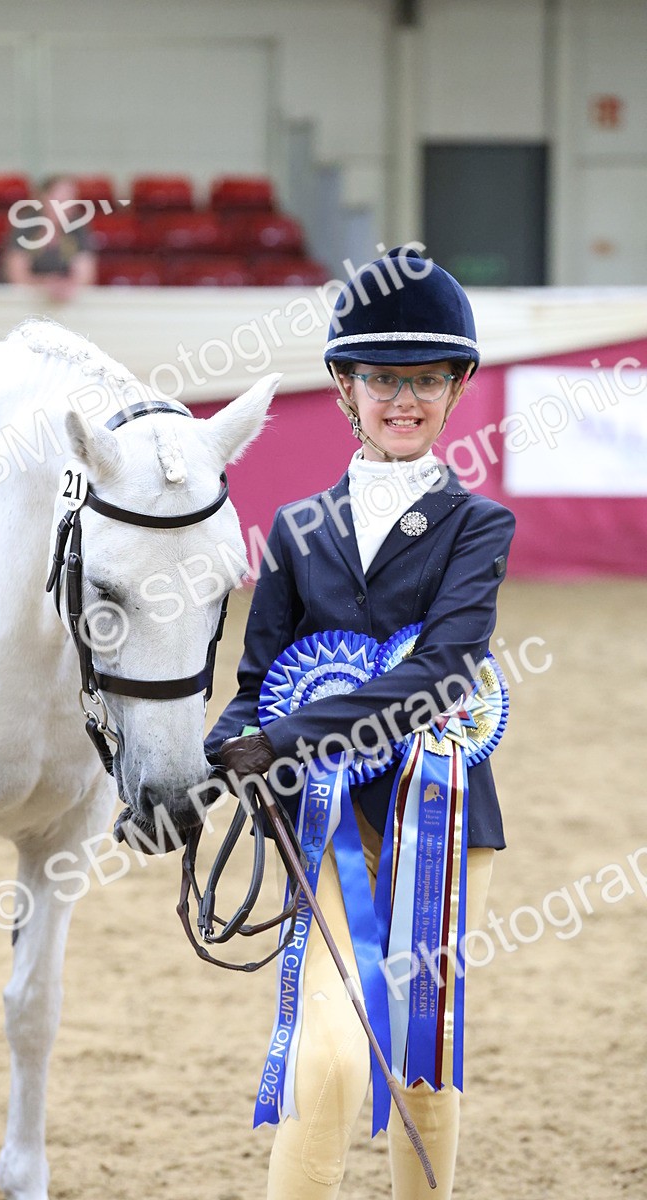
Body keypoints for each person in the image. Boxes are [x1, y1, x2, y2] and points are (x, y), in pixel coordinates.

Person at [205, 246, 516, 1199]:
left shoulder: (479, 528)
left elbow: (442, 671)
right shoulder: (297, 530)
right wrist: (217, 751)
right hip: (326, 823)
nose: (404, 399)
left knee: (419, 1057)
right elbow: (256, 685)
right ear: (345, 385)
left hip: (444, 822)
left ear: (457, 387)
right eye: (384, 378)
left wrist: (287, 740)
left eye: (426, 379)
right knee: (333, 1059)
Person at [2, 174, 96, 302]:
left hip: (64, 303)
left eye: (70, 200)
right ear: (43, 198)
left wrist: (67, 287)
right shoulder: (25, 224)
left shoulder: (78, 227)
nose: (65, 207)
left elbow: (86, 276)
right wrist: (45, 285)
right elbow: (17, 276)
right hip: (21, 302)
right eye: (59, 200)